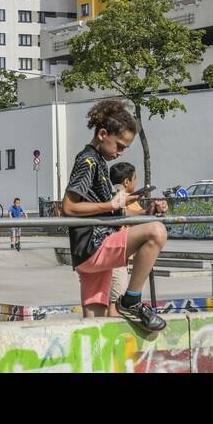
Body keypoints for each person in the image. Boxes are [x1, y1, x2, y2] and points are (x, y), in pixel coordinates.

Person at [63, 99, 168, 332]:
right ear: (102, 134)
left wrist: (140, 211)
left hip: (88, 249)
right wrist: (110, 203)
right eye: (119, 145)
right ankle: (131, 300)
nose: (120, 153)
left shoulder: (98, 160)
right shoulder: (88, 161)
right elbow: (69, 208)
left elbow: (99, 205)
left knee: (94, 323)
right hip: (94, 244)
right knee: (156, 232)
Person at [104, 162, 139, 317]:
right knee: (116, 302)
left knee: (109, 300)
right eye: (135, 178)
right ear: (127, 181)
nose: (136, 181)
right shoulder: (122, 198)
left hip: (119, 256)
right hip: (117, 257)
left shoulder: (115, 197)